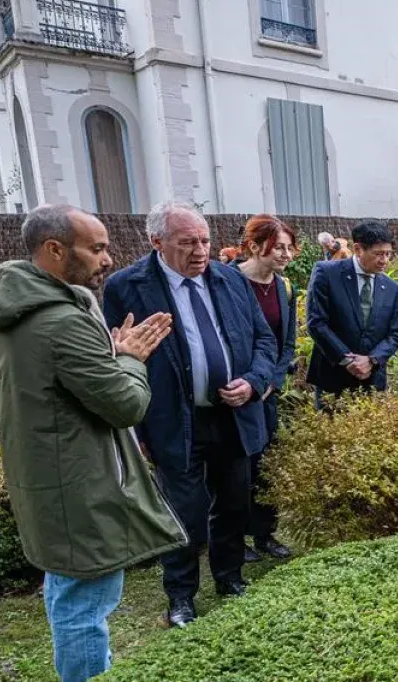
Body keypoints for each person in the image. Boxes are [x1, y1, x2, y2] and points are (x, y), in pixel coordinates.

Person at [0, 204, 185, 682]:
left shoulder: (14, 305)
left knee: (67, 591)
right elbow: (126, 405)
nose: (107, 258)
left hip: (46, 479)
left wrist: (106, 353)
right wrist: (129, 359)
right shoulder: (60, 322)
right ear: (54, 250)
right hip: (79, 487)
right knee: (84, 608)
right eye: (96, 248)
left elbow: (60, 385)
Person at [101, 202, 279, 628]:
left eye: (204, 240)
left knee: (234, 502)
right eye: (187, 243)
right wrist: (138, 425)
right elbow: (117, 357)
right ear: (157, 242)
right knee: (184, 513)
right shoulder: (127, 287)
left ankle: (229, 577)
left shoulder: (230, 278)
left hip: (232, 414)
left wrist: (253, 382)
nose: (200, 251)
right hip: (173, 419)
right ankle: (181, 596)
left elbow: (263, 341)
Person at [229, 215, 300, 563]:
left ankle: (264, 533)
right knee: (236, 467)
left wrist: (272, 381)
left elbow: (287, 342)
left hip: (267, 392)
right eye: (278, 248)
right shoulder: (228, 282)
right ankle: (233, 537)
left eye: (290, 248)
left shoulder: (285, 288)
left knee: (266, 465)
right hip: (235, 390)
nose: (286, 255)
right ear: (255, 246)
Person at [304, 219, 398, 401]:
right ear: (358, 249)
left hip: (372, 380)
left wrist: (372, 360)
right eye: (378, 254)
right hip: (333, 377)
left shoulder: (393, 289)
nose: (385, 261)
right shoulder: (327, 273)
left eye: (388, 254)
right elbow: (317, 322)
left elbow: (396, 333)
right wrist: (347, 359)